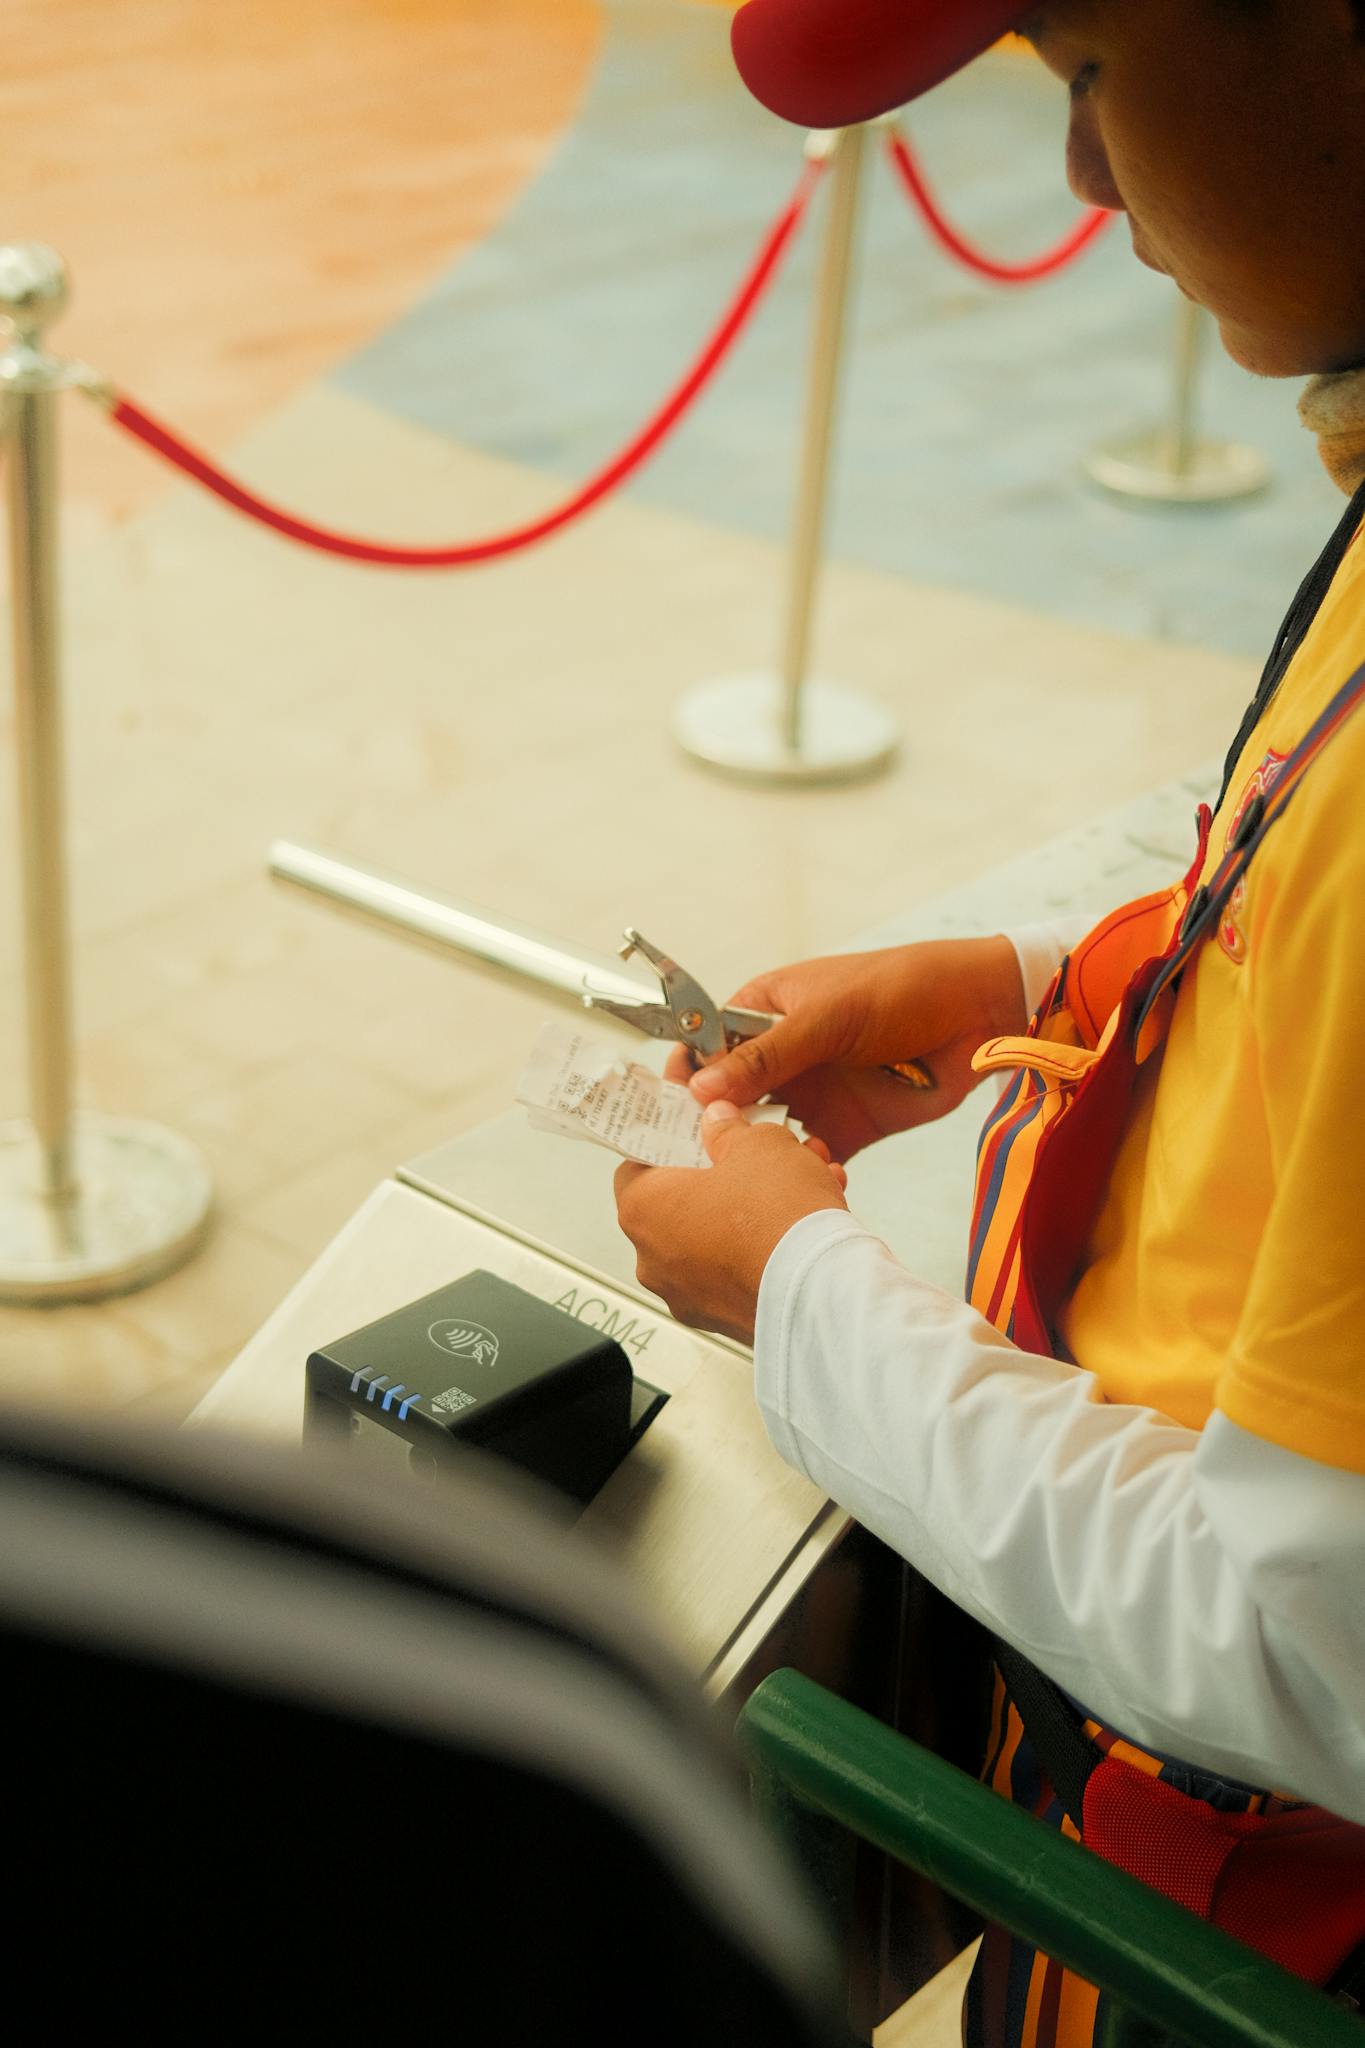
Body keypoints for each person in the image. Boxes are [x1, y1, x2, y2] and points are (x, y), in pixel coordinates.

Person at [614, 3, 1365, 2041]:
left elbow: (1307, 1652)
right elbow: (1295, 919)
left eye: (1088, 60)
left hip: (1248, 1899)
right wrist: (1051, 977)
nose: (1082, 180)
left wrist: (795, 1297)